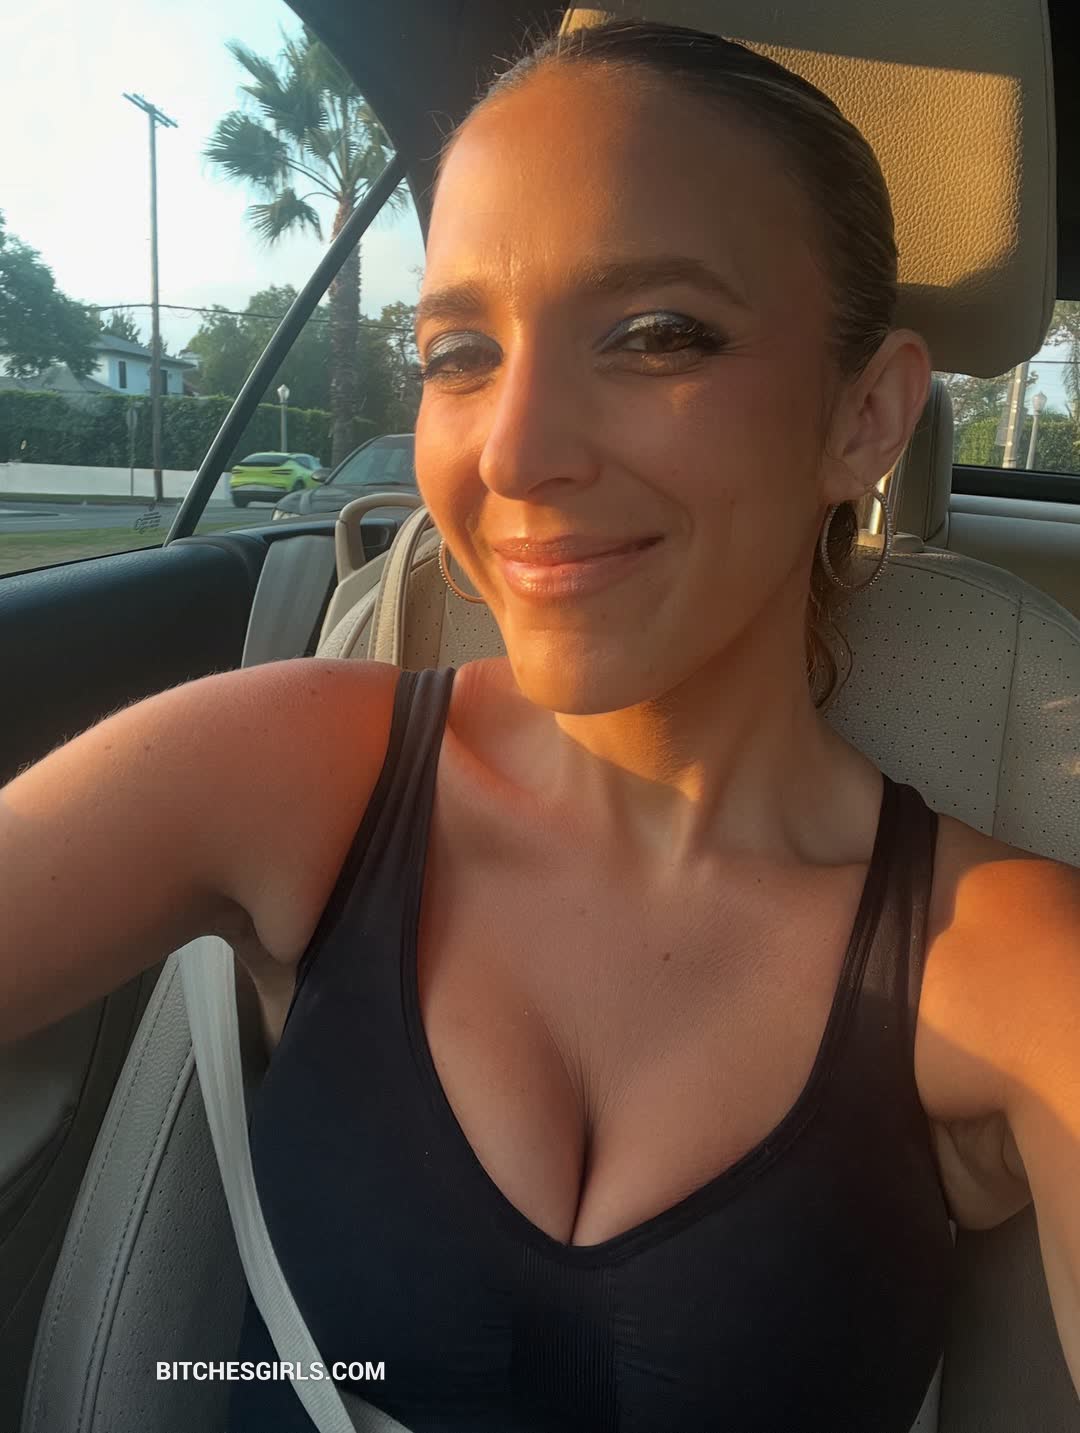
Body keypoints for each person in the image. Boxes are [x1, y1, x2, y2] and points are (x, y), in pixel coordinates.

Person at [3, 17, 1078, 1433]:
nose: (511, 451)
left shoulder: (1013, 967)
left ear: (866, 415)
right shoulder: (293, 768)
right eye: (458, 352)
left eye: (655, 335)